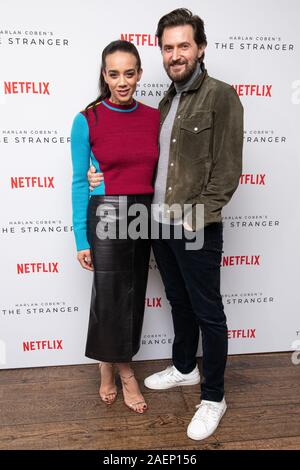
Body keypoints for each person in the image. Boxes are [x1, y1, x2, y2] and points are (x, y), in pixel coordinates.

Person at [87, 8, 243, 440]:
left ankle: (213, 396)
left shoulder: (221, 96)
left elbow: (226, 175)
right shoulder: (167, 101)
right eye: (168, 47)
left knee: (208, 312)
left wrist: (190, 222)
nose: (176, 54)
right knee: (178, 302)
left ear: (201, 48)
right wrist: (95, 174)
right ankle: (185, 367)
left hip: (194, 226)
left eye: (184, 45)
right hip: (156, 224)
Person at [71, 40, 160, 414]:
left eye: (129, 73)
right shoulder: (86, 118)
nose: (121, 82)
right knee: (109, 296)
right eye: (113, 74)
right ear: (104, 75)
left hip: (144, 210)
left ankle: (108, 362)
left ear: (139, 74)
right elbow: (79, 180)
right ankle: (124, 372)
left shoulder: (155, 117)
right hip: (106, 211)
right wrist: (80, 236)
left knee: (133, 293)